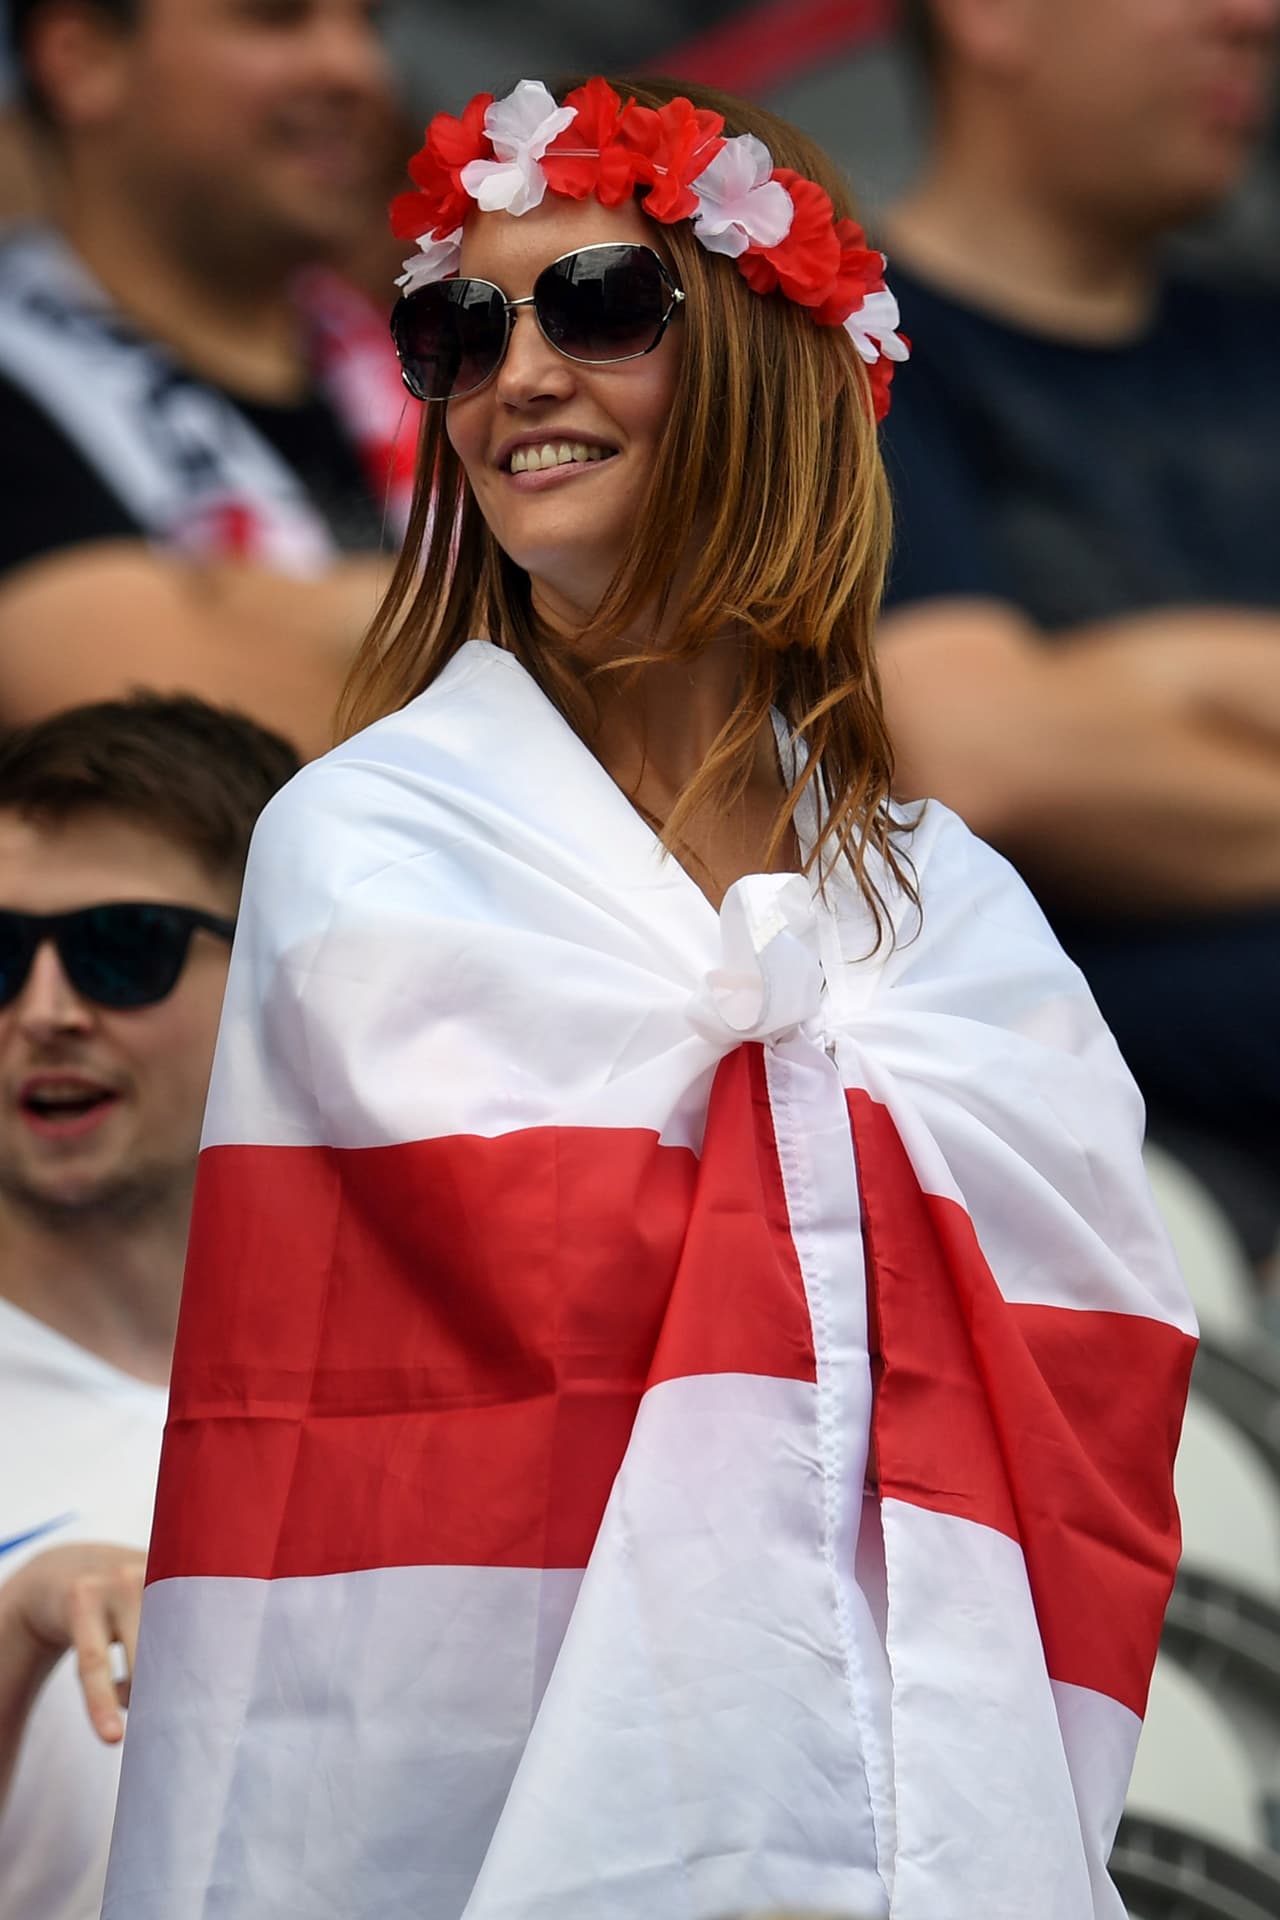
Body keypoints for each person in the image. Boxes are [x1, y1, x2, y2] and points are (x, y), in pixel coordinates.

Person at [102, 77, 1195, 1920]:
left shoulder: (960, 915)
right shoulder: (362, 845)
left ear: (772, 368)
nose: (517, 374)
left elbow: (1091, 1392)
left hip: (928, 1810)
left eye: (599, 305)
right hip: (505, 1824)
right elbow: (388, 1413)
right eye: (458, 333)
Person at [876, 0, 1280, 1256]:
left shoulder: (1256, 338)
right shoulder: (847, 359)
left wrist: (1138, 684)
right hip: (1118, 1181)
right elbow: (981, 759)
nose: (1250, 18)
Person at [0, 693, 298, 1920]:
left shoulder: (463, 1360)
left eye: (125, 946)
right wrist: (19, 1633)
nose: (47, 1009)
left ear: (285, 967)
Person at [0, 0, 415, 760]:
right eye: (277, 17)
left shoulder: (460, 353)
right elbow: (185, 755)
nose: (355, 69)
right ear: (82, 58)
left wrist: (322, 622)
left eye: (368, 25)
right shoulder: (16, 400)